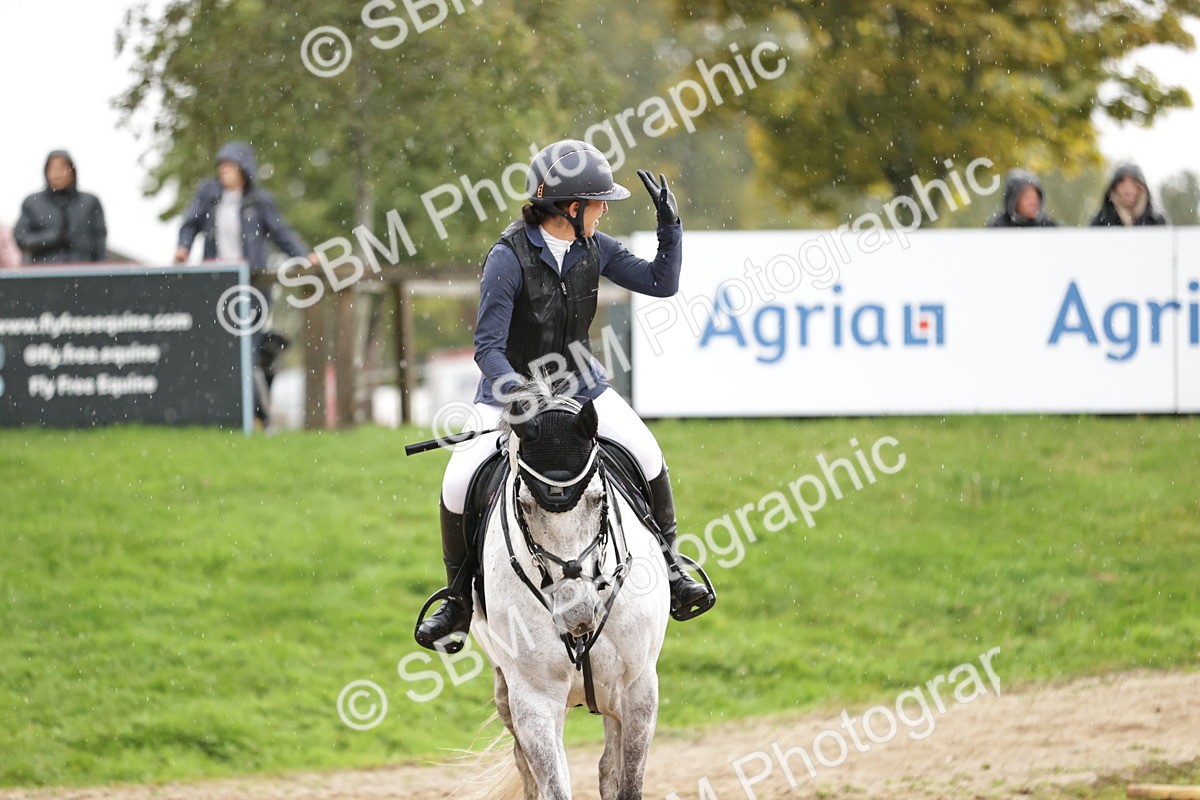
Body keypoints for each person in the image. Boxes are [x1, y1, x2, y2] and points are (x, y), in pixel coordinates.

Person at [415, 139, 715, 652]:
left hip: (581, 385)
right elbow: (488, 349)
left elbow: (661, 283)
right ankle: (459, 601)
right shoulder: (506, 260)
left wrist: (671, 227)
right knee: (458, 479)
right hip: (512, 392)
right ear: (570, 208)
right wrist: (522, 401)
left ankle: (671, 569)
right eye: (598, 202)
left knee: (647, 452)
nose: (604, 210)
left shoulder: (593, 248)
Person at [175, 142, 318, 426]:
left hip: (252, 285)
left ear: (243, 170)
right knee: (222, 348)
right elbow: (190, 223)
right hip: (218, 282)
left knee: (251, 349)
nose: (224, 173)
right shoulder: (209, 196)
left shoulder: (259, 202)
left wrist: (303, 255)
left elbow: (280, 232)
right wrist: (183, 247)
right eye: (221, 168)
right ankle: (233, 416)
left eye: (230, 167)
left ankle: (260, 416)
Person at [14, 150, 107, 263]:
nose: (57, 173)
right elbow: (22, 240)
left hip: (82, 271)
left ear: (72, 171)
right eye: (52, 168)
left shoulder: (90, 202)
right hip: (43, 273)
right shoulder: (32, 203)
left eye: (62, 167)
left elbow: (99, 243)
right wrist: (54, 237)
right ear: (46, 172)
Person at [1090, 164, 1168, 227]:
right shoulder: (1100, 222)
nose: (1128, 189)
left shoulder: (1156, 221)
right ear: (1114, 189)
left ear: (1141, 189)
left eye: (1134, 183)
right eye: (1122, 183)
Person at [986, 169, 1058, 228]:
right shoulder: (998, 227)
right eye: (1027, 198)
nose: (1033, 202)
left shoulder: (1049, 227)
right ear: (1014, 200)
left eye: (1035, 198)